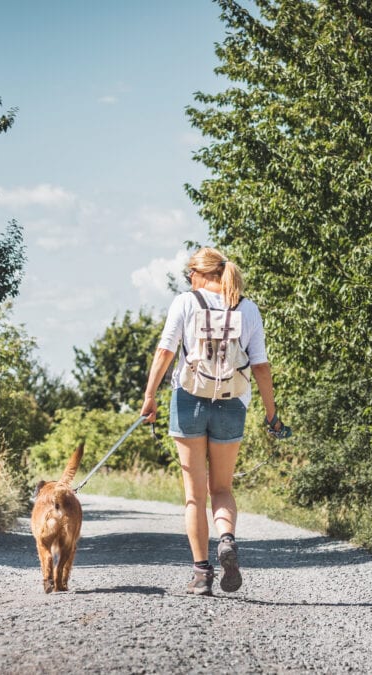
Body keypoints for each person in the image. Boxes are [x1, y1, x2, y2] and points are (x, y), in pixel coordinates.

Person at [140, 246, 288, 596]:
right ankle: (226, 540)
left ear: (197, 273)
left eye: (189, 274)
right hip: (231, 404)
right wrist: (272, 415)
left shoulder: (186, 302)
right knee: (222, 489)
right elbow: (261, 367)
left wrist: (149, 397)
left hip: (189, 401)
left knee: (194, 496)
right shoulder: (247, 308)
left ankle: (202, 575)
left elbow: (165, 351)